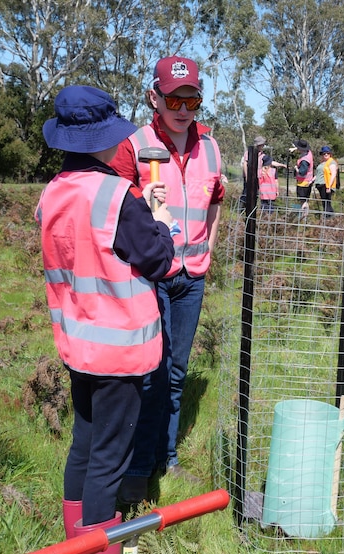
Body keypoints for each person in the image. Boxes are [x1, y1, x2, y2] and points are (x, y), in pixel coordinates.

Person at [38, 85, 175, 554]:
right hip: (118, 351)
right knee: (110, 460)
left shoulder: (54, 190)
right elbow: (159, 259)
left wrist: (143, 210)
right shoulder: (117, 195)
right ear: (105, 141)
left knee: (85, 443)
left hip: (77, 344)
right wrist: (157, 218)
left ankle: (73, 546)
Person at [110, 55, 225, 503]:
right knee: (150, 373)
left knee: (176, 372)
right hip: (148, 277)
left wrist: (209, 247)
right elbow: (114, 206)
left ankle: (167, 459)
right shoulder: (132, 145)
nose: (182, 108)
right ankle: (137, 468)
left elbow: (215, 200)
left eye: (192, 99)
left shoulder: (211, 148)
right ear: (153, 97)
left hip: (191, 277)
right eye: (173, 98)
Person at [240, 136, 284, 212]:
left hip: (258, 177)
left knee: (255, 194)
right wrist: (247, 177)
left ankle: (252, 210)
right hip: (249, 177)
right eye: (261, 145)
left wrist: (282, 165)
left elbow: (270, 163)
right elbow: (245, 164)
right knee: (246, 193)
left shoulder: (262, 155)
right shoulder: (248, 153)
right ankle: (241, 209)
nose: (262, 146)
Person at [313, 145, 338, 216]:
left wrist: (329, 186)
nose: (326, 154)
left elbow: (333, 175)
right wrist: (312, 180)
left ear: (330, 154)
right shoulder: (322, 163)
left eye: (327, 153)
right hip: (320, 185)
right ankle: (329, 217)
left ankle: (329, 218)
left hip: (326, 185)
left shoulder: (331, 162)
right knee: (324, 203)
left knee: (327, 202)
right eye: (324, 153)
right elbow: (318, 174)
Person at [291, 139, 313, 215]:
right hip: (308, 181)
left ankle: (304, 215)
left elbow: (302, 172)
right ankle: (305, 216)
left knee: (303, 200)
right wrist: (294, 148)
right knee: (306, 200)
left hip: (303, 182)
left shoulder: (304, 160)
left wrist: (296, 168)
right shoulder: (309, 153)